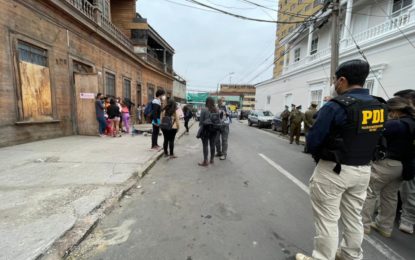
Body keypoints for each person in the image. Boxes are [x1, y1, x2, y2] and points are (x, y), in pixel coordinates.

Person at [296, 60, 387, 260]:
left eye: (336, 80)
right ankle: (350, 255)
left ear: (342, 81)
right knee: (354, 218)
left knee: (327, 220)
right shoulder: (379, 104)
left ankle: (322, 257)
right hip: (363, 170)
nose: (335, 84)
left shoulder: (336, 106)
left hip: (334, 170)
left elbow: (313, 141)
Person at [361, 97, 415, 237]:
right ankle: (384, 227)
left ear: (397, 110)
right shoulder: (412, 123)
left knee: (370, 192)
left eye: (390, 111)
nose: (390, 114)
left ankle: (363, 225)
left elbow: (374, 133)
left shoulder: (396, 124)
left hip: (387, 164)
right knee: (390, 196)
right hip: (404, 166)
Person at [395, 89, 415, 234]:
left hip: (410, 160)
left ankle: (408, 220)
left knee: (410, 191)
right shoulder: (402, 118)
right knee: (395, 190)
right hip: (401, 159)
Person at [198, 97, 219, 167]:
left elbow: (201, 122)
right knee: (212, 144)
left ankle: (205, 161)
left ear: (206, 102)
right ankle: (212, 159)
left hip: (205, 130)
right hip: (214, 130)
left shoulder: (204, 110)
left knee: (205, 145)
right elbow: (218, 121)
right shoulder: (216, 110)